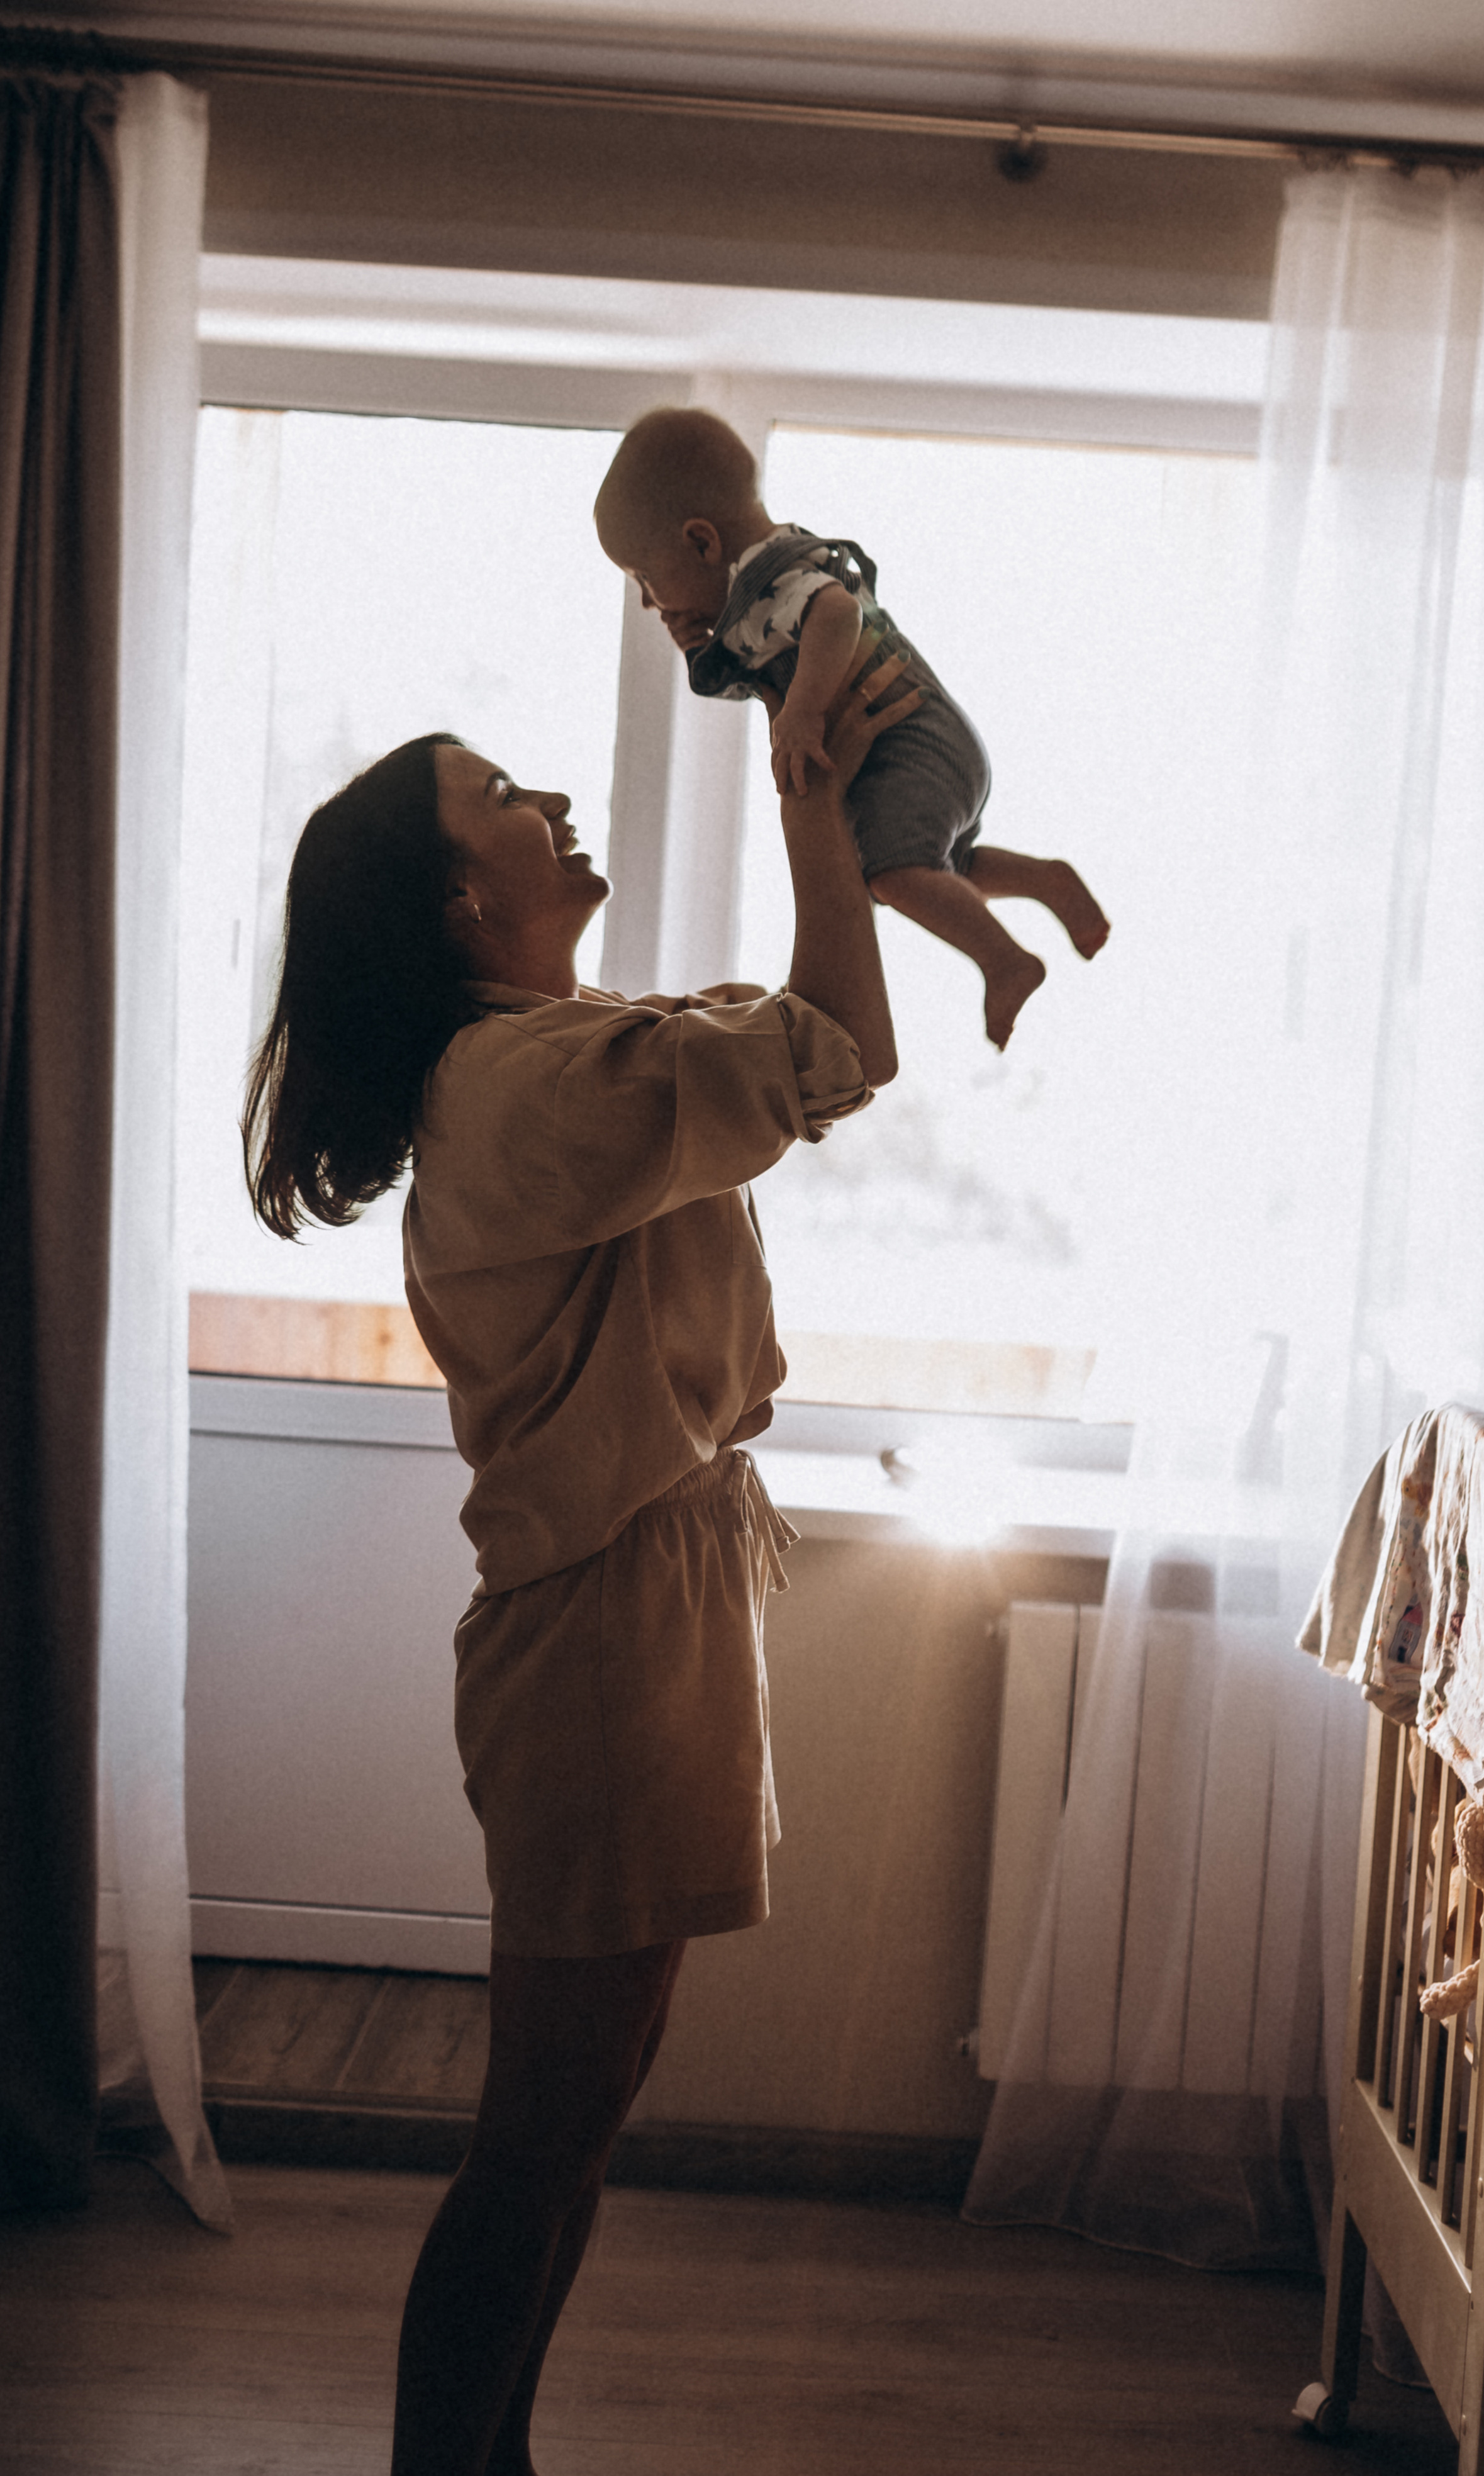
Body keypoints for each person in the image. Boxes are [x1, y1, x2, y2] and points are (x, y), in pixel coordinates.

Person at [241, 646, 913, 2476]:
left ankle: (494, 2460)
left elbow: (786, 1043)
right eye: (505, 798)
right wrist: (812, 815)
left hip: (653, 1608)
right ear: (466, 894)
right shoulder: (526, 1087)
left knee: (583, 2122)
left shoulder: (556, 1055)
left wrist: (839, 837)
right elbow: (828, 1047)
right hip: (605, 1639)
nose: (549, 804)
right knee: (537, 2137)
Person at [594, 405, 1110, 1051]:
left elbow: (836, 614)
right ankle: (1045, 881)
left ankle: (1004, 960)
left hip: (911, 742)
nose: (647, 600)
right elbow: (757, 686)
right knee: (940, 871)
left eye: (645, 577)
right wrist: (699, 649)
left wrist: (806, 712)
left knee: (891, 876)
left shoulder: (771, 575)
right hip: (931, 744)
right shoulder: (760, 595)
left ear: (702, 542)